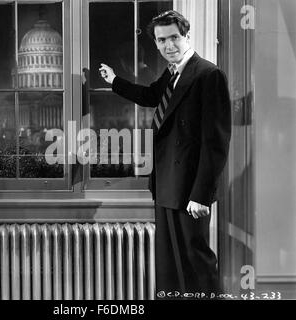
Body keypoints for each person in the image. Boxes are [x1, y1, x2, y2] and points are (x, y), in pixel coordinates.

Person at [99, 10, 231, 299]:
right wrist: (114, 81)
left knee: (197, 262)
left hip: (190, 190)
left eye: (174, 37)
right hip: (166, 184)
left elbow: (216, 143)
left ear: (186, 36)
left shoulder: (209, 75)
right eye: (161, 41)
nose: (168, 45)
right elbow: (150, 97)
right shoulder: (172, 74)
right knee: (171, 265)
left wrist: (201, 194)